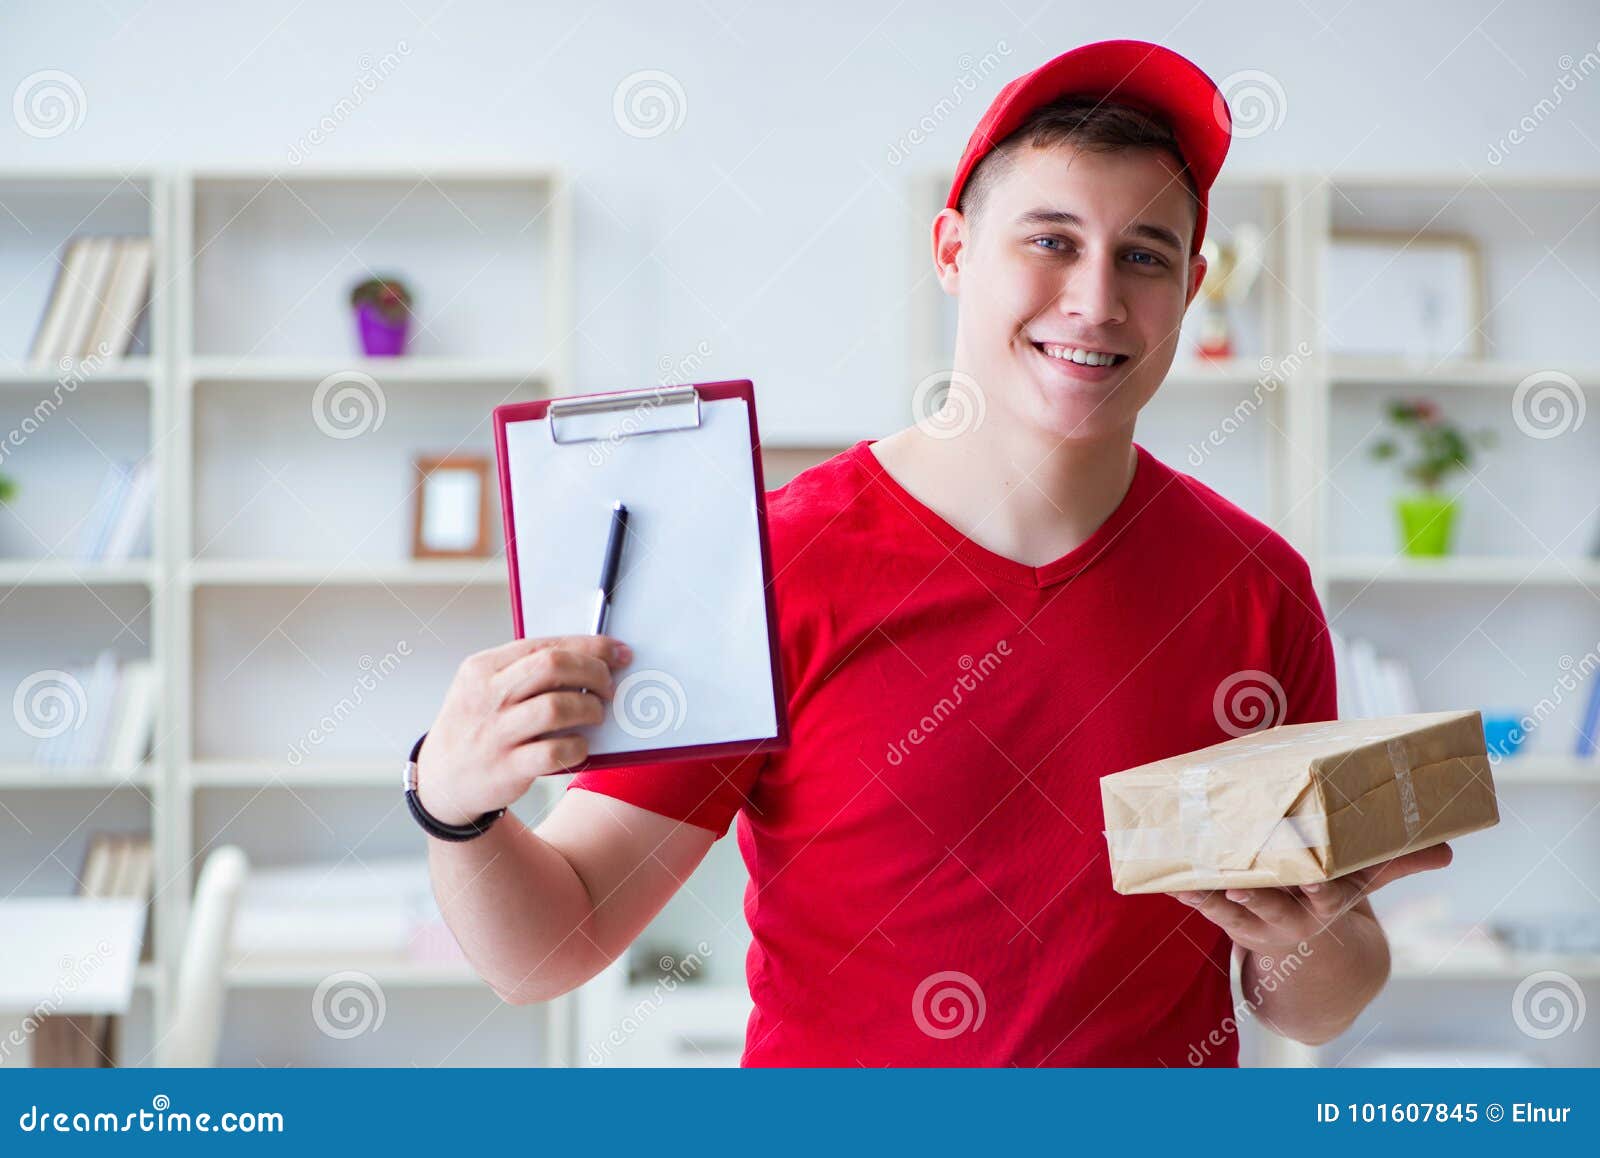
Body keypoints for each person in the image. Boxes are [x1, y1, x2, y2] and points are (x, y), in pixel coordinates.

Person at [414, 38, 1450, 1066]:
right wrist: (453, 805)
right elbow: (553, 943)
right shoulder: (769, 562)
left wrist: (1310, 937)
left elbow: (1311, 1005)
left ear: (1189, 288)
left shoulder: (1255, 587)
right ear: (952, 251)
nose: (1096, 299)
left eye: (1144, 254)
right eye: (1049, 240)